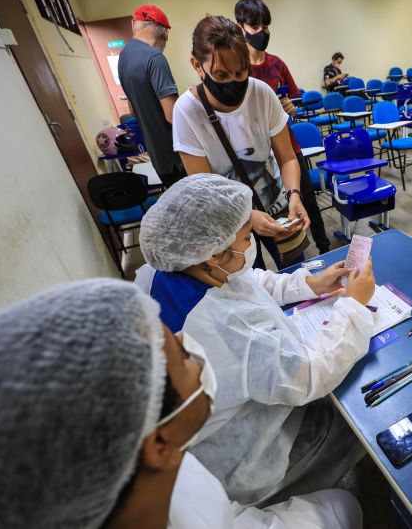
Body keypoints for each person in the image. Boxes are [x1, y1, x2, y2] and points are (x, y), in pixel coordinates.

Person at [0, 279, 363, 528]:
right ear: (158, 443)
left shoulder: (126, 473)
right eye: (182, 357)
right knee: (345, 504)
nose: (192, 347)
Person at [135, 174, 376, 506]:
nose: (251, 245)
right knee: (361, 421)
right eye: (247, 236)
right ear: (212, 254)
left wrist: (310, 284)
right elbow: (307, 377)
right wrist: (353, 306)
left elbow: (245, 282)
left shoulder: (167, 266)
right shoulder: (223, 327)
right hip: (249, 456)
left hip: (217, 424)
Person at [173, 15, 308, 270]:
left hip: (277, 201)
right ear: (197, 65)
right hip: (228, 216)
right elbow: (204, 190)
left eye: (240, 72)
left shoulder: (261, 93)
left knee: (298, 272)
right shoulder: (187, 111)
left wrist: (294, 195)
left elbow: (287, 158)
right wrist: (246, 217)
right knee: (249, 282)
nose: (233, 83)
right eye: (220, 75)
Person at [235, 0, 331, 254]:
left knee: (307, 199)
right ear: (241, 25)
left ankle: (325, 248)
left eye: (266, 26)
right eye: (256, 26)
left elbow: (295, 100)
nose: (262, 32)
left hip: (287, 144)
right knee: (267, 208)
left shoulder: (276, 63)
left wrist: (291, 106)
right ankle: (284, 259)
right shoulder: (237, 67)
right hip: (256, 151)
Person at [118, 5, 185, 187]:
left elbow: (133, 110)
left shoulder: (123, 57)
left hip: (158, 157)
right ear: (164, 33)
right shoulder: (155, 58)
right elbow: (172, 116)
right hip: (176, 158)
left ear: (134, 25)